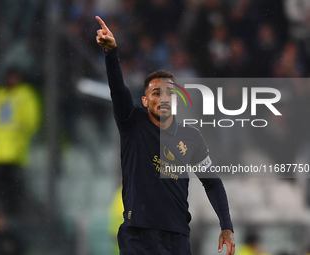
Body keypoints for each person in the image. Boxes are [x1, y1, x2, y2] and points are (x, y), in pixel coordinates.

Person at [95, 16, 235, 255]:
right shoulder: (132, 122)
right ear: (144, 100)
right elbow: (118, 89)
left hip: (177, 237)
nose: (163, 99)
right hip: (137, 235)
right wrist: (111, 54)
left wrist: (226, 226)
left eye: (168, 93)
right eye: (156, 93)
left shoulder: (191, 137)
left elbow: (212, 182)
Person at [0, 68, 41, 214]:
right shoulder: (0, 95)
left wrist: (22, 133)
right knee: (1, 182)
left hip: (16, 147)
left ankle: (11, 210)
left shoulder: (24, 94)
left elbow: (31, 119)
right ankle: (6, 209)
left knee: (10, 182)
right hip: (0, 147)